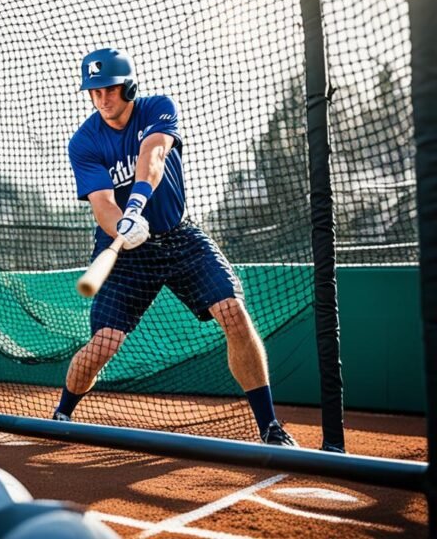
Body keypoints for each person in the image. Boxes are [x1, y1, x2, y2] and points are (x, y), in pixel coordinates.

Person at [52, 48, 296, 446]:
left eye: (109, 90)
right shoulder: (84, 141)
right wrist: (123, 225)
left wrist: (136, 203)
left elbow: (155, 155)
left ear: (128, 85)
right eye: (94, 93)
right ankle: (62, 412)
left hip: (179, 236)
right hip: (125, 250)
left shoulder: (157, 108)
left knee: (232, 312)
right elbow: (101, 205)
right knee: (104, 345)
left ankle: (269, 425)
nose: (102, 99)